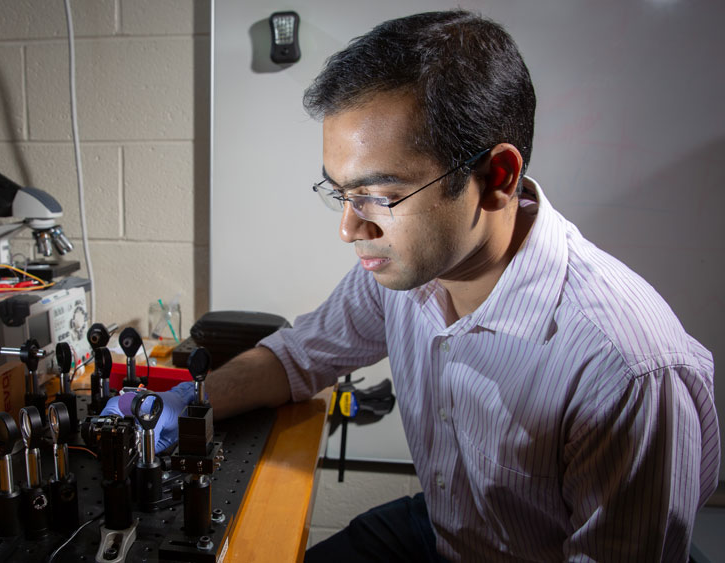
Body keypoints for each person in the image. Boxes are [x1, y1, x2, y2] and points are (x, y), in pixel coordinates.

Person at [105, 10, 719, 561]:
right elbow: (298, 357)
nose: (350, 229)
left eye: (380, 195)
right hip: (447, 528)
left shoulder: (627, 369)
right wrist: (186, 404)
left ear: (497, 177)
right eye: (341, 193)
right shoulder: (404, 273)